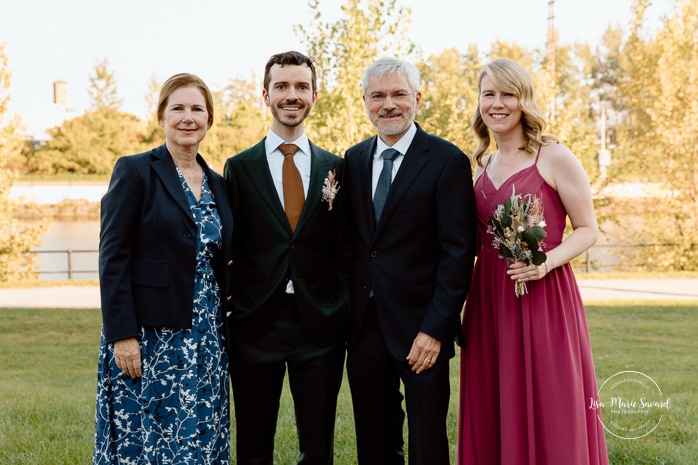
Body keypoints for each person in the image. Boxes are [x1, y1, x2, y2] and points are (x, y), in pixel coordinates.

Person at [457, 58, 609, 464]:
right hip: (489, 298)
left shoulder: (554, 156)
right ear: (479, 102)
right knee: (494, 398)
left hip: (544, 295)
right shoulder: (481, 166)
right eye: (489, 94)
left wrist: (547, 262)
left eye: (508, 94)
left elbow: (588, 228)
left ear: (524, 100)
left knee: (551, 398)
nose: (498, 103)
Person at [93, 73, 234, 464]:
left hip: (206, 336)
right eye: (178, 108)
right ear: (161, 117)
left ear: (209, 120)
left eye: (197, 109)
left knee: (199, 432)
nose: (188, 117)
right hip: (148, 336)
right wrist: (122, 335)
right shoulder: (136, 171)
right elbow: (112, 257)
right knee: (147, 438)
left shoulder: (219, 184)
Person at [344, 57, 477, 465]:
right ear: (365, 101)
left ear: (417, 98)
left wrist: (435, 329)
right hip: (364, 327)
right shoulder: (352, 159)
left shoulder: (446, 160)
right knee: (374, 437)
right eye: (378, 96)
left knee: (426, 440)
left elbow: (458, 252)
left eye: (399, 94)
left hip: (423, 331)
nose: (389, 104)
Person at [223, 51, 350, 465]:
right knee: (254, 444)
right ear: (266, 94)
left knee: (318, 445)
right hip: (256, 323)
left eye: (300, 87)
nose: (291, 95)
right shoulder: (239, 168)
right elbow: (232, 247)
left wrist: (339, 308)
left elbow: (344, 247)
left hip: (319, 323)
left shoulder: (336, 167)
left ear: (314, 95)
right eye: (282, 86)